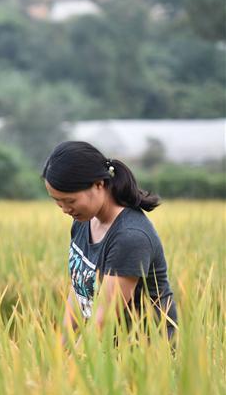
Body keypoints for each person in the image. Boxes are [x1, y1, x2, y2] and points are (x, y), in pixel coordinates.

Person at [43, 140, 177, 340]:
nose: (65, 209)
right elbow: (79, 287)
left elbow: (102, 319)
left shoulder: (130, 237)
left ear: (99, 184)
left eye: (70, 201)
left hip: (145, 354)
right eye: (58, 202)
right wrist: (61, 347)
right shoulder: (83, 221)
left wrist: (70, 365)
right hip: (107, 348)